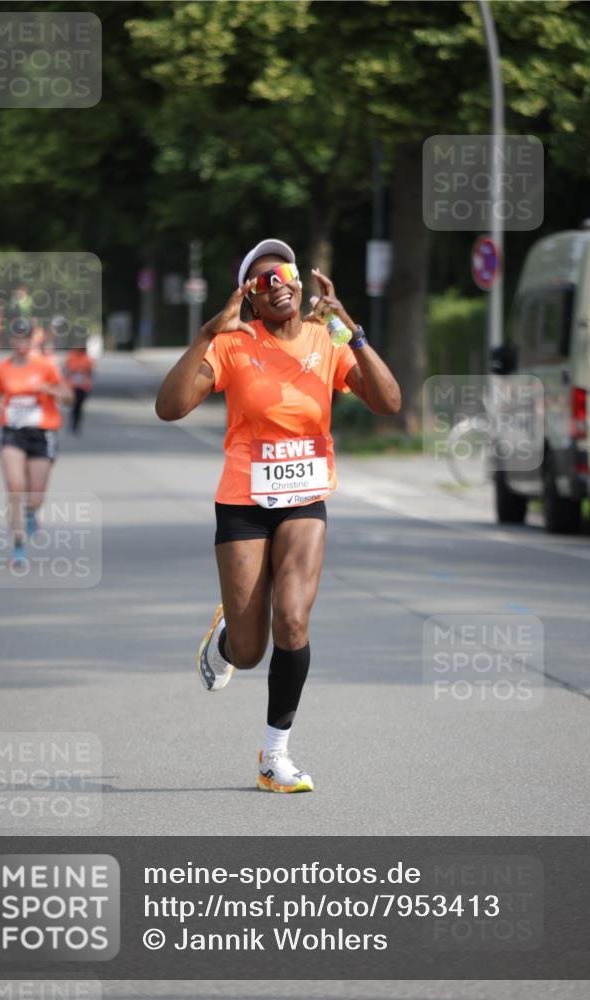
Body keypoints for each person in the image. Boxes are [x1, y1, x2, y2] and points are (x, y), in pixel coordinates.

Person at [156, 238, 401, 793]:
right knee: (249, 652)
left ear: (299, 280)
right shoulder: (234, 344)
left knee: (292, 620)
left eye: (285, 273)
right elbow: (169, 408)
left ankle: (274, 757)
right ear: (250, 298)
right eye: (262, 282)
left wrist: (352, 331)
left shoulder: (326, 339)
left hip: (305, 500)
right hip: (242, 502)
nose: (278, 285)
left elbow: (388, 403)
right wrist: (207, 333)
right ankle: (227, 636)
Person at [0, 325, 73, 566]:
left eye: (26, 338)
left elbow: (69, 398)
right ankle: (18, 546)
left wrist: (49, 389)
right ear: (11, 340)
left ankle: (32, 511)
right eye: (17, 338)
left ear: (32, 340)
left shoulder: (46, 366)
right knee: (15, 488)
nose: (21, 343)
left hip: (41, 434)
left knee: (35, 496)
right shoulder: (1, 369)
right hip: (12, 433)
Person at [63, 345, 94, 434]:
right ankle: (72, 423)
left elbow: (90, 372)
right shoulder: (71, 356)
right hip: (72, 385)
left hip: (83, 386)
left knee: (79, 406)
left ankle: (76, 423)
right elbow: (66, 369)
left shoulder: (87, 358)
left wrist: (85, 374)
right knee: (74, 405)